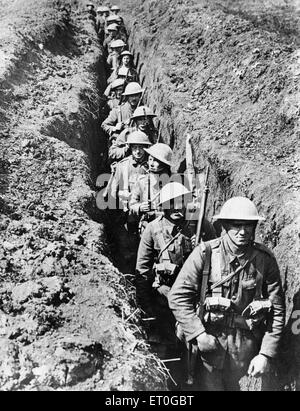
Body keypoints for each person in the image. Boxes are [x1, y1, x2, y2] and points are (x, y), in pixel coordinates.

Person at [168, 196, 286, 391]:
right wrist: (199, 335)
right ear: (223, 225)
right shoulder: (205, 253)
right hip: (208, 346)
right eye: (236, 225)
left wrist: (265, 354)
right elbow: (178, 296)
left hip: (246, 351)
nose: (242, 231)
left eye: (248, 225)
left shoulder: (265, 260)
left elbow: (278, 310)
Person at [109, 131, 152, 272]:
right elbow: (113, 193)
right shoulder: (123, 166)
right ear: (130, 148)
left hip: (147, 212)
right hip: (127, 213)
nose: (138, 151)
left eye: (141, 147)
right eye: (135, 148)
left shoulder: (153, 165)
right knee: (127, 246)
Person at [129, 143, 173, 233]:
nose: (151, 163)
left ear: (164, 164)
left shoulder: (173, 183)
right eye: (150, 159)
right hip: (148, 227)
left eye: (156, 160)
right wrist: (140, 207)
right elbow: (132, 204)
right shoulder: (142, 182)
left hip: (168, 228)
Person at [101, 82, 144, 149]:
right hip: (121, 146)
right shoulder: (118, 110)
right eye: (131, 96)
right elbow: (104, 125)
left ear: (140, 96)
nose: (134, 98)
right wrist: (115, 128)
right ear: (127, 96)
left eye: (136, 95)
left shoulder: (143, 111)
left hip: (139, 146)